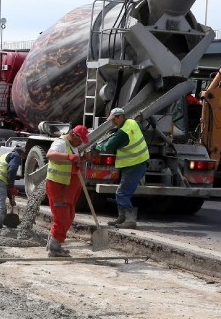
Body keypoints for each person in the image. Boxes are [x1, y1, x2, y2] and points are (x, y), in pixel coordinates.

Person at [95, 107, 149, 229]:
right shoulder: (133, 122)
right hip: (139, 162)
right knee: (124, 192)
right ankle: (122, 217)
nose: (113, 122)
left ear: (120, 117)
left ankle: (129, 220)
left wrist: (97, 146)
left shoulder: (123, 133)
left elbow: (109, 146)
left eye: (114, 119)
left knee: (122, 193)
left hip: (134, 164)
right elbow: (138, 128)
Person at [45, 124, 90, 257]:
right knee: (62, 217)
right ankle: (54, 248)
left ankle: (53, 244)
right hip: (58, 187)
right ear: (74, 135)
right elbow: (50, 155)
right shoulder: (61, 143)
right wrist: (68, 157)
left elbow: (71, 164)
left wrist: (81, 159)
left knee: (69, 216)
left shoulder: (73, 146)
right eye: (80, 139)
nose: (81, 142)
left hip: (66, 187)